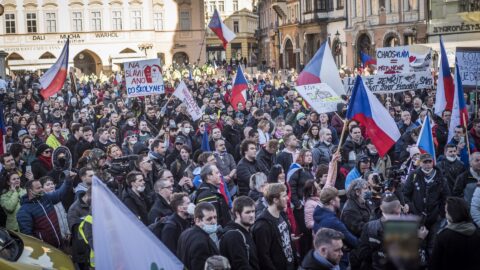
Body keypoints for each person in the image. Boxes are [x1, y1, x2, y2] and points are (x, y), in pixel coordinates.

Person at [16, 173, 74, 248]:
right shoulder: (24, 211)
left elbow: (60, 194)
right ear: (30, 191)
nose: (41, 189)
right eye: (38, 188)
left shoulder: (46, 198)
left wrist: (68, 180)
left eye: (41, 187)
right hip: (45, 249)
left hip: (60, 244)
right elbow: (28, 236)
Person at [252, 183, 297, 270]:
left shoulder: (282, 214)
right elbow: (263, 257)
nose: (287, 198)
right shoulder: (262, 225)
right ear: (275, 200)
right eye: (284, 196)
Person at [430, 197, 480, 270]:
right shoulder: (476, 232)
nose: (445, 215)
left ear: (452, 214)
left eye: (446, 212)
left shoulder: (443, 236)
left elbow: (434, 264)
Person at [220, 196, 260, 270]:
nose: (252, 215)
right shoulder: (234, 236)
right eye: (247, 212)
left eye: (253, 211)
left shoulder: (246, 230)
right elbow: (241, 266)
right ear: (237, 214)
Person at [177, 202, 220, 270]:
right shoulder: (201, 243)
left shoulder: (185, 233)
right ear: (198, 221)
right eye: (209, 219)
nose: (214, 221)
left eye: (215, 217)